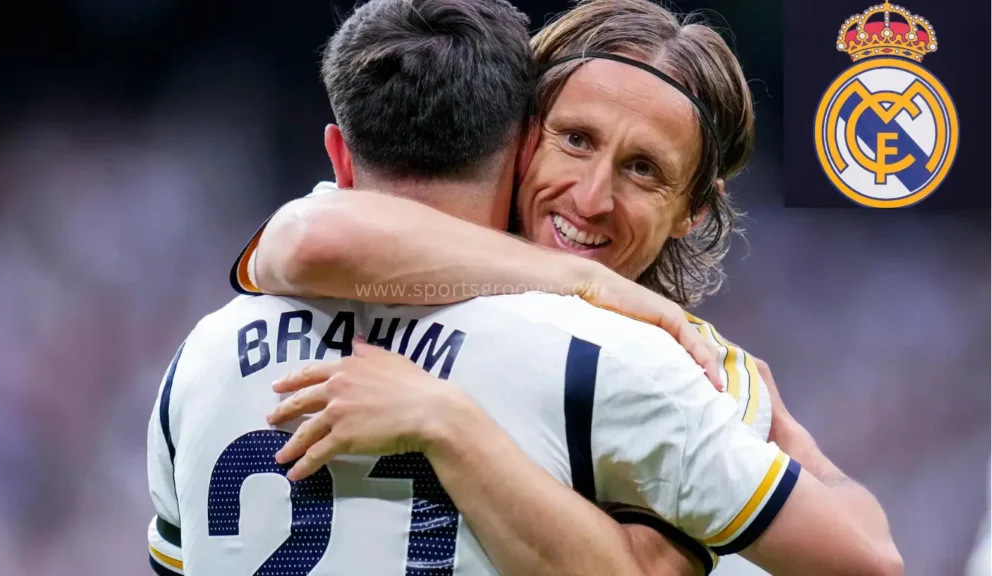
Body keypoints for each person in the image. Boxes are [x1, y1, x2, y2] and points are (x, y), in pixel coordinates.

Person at [147, 1, 901, 575]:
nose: (593, 195)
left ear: (692, 211)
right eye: (575, 140)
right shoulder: (645, 362)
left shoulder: (202, 355)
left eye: (644, 170)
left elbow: (307, 239)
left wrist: (800, 446)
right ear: (520, 138)